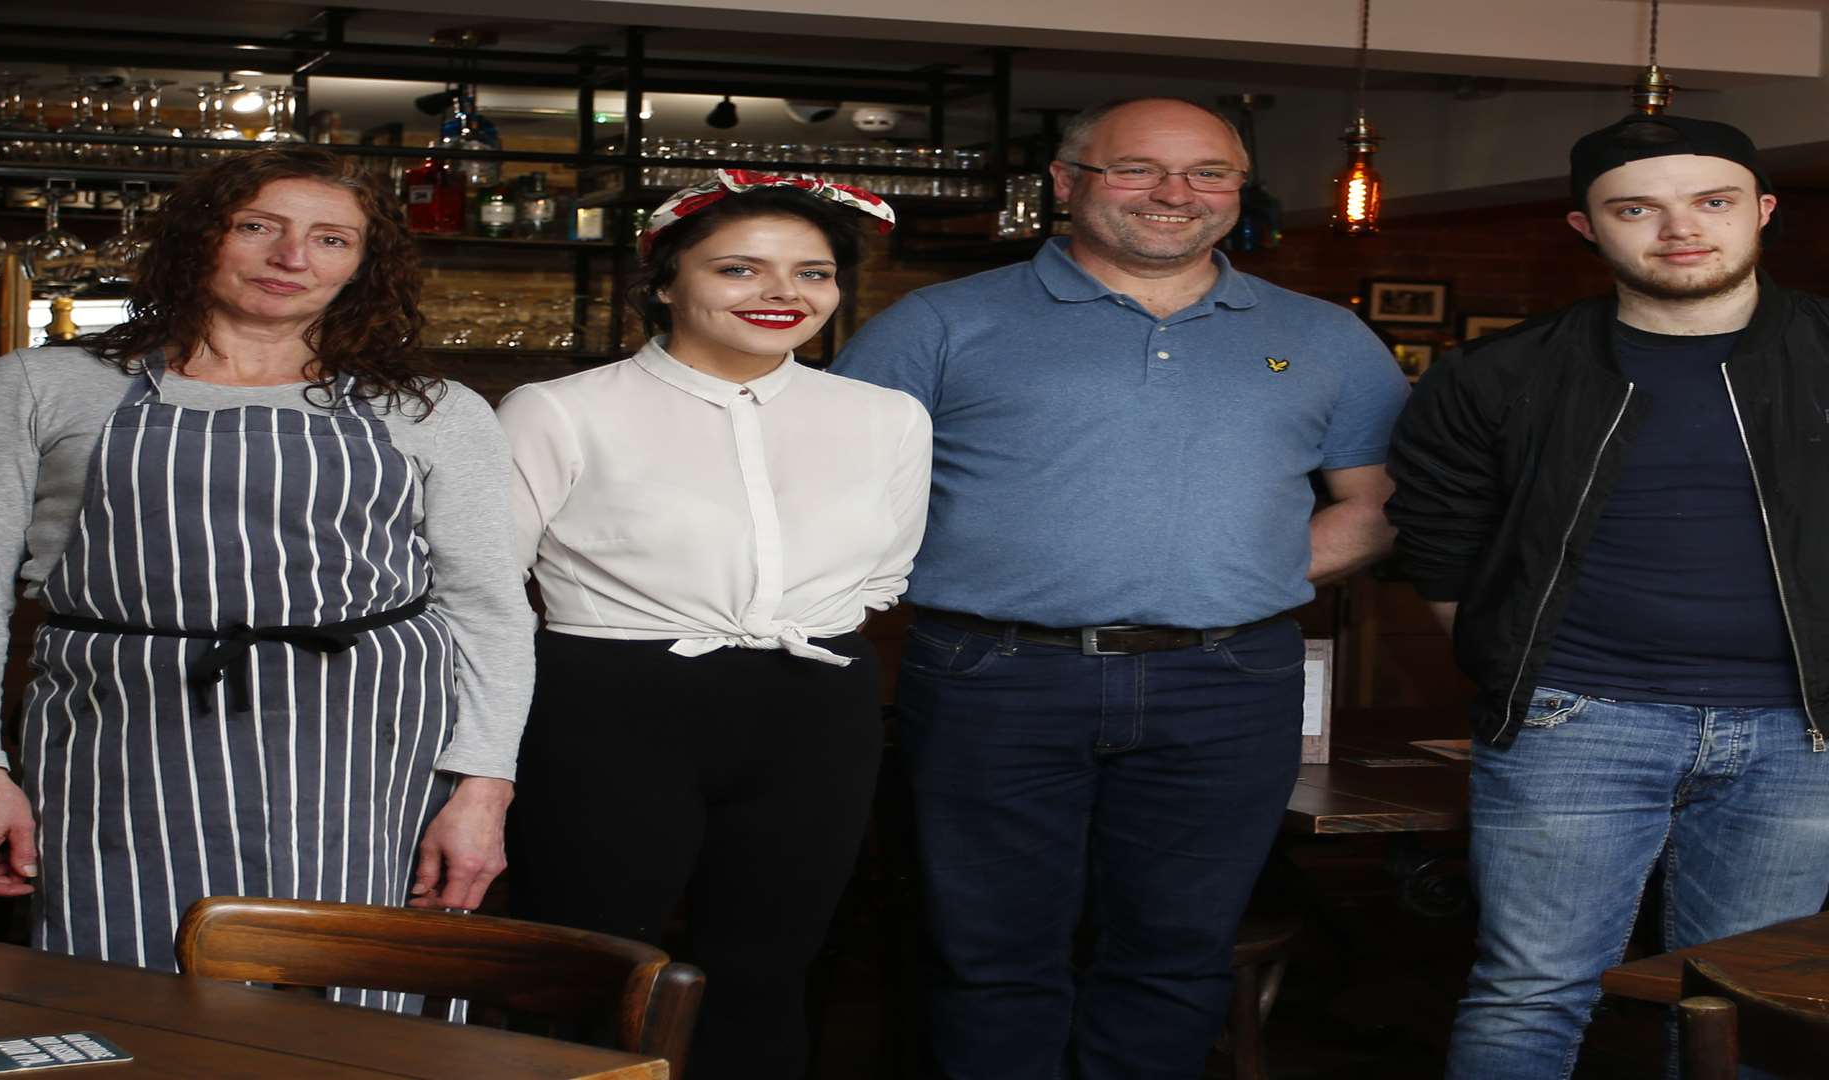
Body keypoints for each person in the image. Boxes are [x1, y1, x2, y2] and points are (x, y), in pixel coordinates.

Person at [831, 98, 1408, 1078]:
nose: (1176, 194)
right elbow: (831, 490)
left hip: (1230, 680)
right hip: (995, 673)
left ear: (1238, 189)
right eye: (1137, 168)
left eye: (1209, 173)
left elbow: (1379, 503)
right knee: (990, 956)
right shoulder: (941, 321)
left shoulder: (1321, 338)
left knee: (1177, 955)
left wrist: (1235, 570)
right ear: (1067, 183)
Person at [0, 146, 533, 1001]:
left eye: (330, 240)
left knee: (360, 988)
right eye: (258, 228)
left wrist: (483, 793)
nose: (292, 260)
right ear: (201, 236)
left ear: (364, 265)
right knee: (126, 978)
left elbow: (490, 611)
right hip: (121, 734)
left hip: (369, 746)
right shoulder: (41, 385)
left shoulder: (433, 410)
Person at [1387, 113, 1829, 1079]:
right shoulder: (1501, 375)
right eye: (1639, 207)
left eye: (1712, 202)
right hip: (1577, 719)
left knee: (1748, 1004)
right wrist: (1522, 670)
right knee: (1532, 990)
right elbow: (1442, 543)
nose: (1681, 230)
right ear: (1588, 227)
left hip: (1802, 735)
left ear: (1761, 209)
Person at [497, 170, 929, 1080]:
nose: (782, 294)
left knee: (772, 966)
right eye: (740, 268)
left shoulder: (887, 418)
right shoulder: (560, 409)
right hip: (612, 702)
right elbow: (488, 585)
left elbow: (886, 571)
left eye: (813, 273)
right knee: (593, 960)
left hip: (818, 703)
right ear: (663, 282)